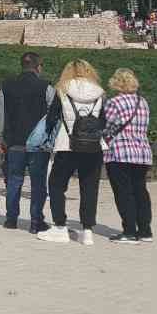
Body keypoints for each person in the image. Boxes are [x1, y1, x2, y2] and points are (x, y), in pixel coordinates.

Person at [42, 59, 106, 246]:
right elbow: (103, 121)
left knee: (56, 184)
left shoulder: (62, 90)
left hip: (68, 143)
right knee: (89, 188)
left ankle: (60, 226)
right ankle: (87, 230)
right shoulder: (100, 93)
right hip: (93, 146)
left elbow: (52, 117)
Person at [0, 51, 54, 233]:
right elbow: (53, 114)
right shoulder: (46, 87)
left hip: (14, 141)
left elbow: (1, 114)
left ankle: (11, 219)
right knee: (38, 183)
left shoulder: (7, 86)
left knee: (14, 181)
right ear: (38, 67)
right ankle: (36, 222)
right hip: (38, 143)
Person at [102, 68, 153, 243]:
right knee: (140, 191)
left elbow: (107, 126)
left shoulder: (114, 102)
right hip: (142, 152)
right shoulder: (143, 102)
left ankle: (129, 230)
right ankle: (145, 230)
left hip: (120, 152)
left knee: (123, 192)